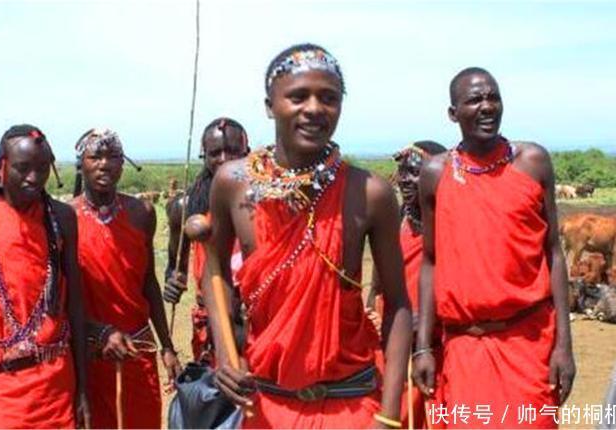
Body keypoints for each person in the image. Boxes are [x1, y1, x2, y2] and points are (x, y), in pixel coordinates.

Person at [205, 43, 412, 429]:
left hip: (352, 405)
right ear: (270, 106)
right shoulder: (232, 183)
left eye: (329, 98)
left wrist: (388, 416)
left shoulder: (371, 193)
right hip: (265, 406)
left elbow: (398, 304)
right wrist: (226, 356)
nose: (315, 108)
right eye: (298, 96)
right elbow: (214, 270)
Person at [413, 67, 575, 428]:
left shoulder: (532, 162)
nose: (486, 106)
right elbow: (430, 261)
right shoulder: (435, 173)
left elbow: (554, 252)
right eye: (474, 100)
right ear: (453, 113)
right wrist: (423, 346)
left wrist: (564, 344)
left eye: (493, 98)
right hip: (464, 347)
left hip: (529, 342)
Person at [71, 128, 180, 429]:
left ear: (123, 163)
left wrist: (167, 346)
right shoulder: (66, 217)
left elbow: (148, 282)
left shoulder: (142, 212)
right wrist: (98, 333)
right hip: (89, 354)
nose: (104, 164)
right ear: (81, 164)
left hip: (137, 351)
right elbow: (64, 297)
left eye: (113, 157)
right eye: (96, 157)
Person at [0, 124, 90, 428]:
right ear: (2, 167)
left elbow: (75, 305)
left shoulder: (61, 218)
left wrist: (83, 390)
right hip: (0, 388)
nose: (34, 178)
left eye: (43, 168)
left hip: (56, 384)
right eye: (23, 168)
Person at [369, 140, 447, 429]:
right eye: (402, 172)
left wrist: (425, 324)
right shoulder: (396, 222)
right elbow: (376, 285)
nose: (405, 180)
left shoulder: (449, 227)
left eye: (415, 173)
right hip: (392, 342)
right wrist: (372, 316)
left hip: (434, 345)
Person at [163, 118, 249, 362]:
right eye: (215, 153)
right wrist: (173, 282)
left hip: (258, 320)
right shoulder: (185, 208)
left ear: (247, 153)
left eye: (233, 151)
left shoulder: (265, 202)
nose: (224, 159)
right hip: (212, 322)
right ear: (204, 155)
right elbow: (175, 268)